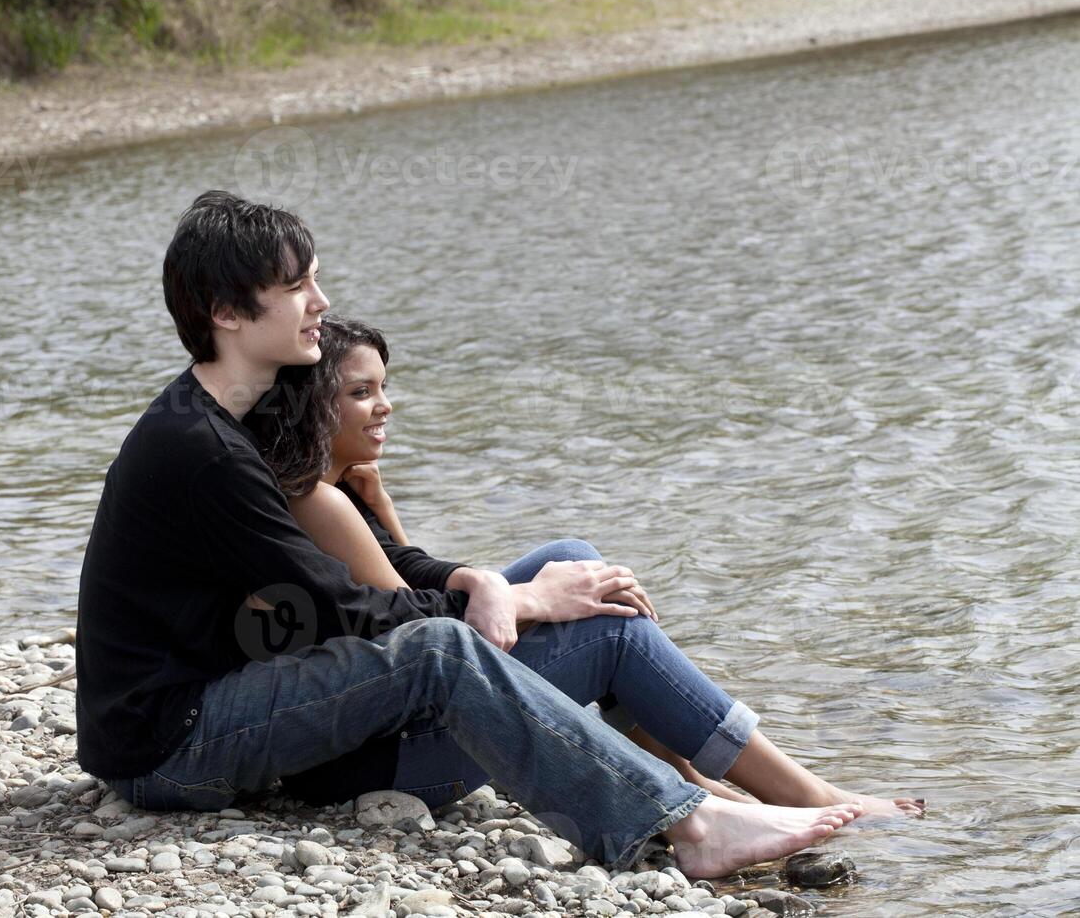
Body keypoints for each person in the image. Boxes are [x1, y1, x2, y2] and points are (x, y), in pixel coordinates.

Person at [75, 190, 865, 879]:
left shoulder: (228, 425)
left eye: (315, 279)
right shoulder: (202, 450)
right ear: (226, 313)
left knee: (570, 564)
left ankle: (730, 793)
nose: (319, 301)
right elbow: (345, 606)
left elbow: (367, 578)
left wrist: (489, 584)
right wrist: (518, 602)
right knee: (444, 647)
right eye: (296, 287)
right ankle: (691, 823)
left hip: (211, 703)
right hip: (171, 747)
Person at [250, 314, 924, 819]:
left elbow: (397, 577)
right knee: (609, 628)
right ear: (316, 404)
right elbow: (421, 641)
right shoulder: (318, 501)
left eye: (384, 387)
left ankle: (697, 783)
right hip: (384, 767)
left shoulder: (336, 491)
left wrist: (384, 504)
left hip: (377, 735)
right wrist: (530, 600)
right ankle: (807, 796)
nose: (385, 404)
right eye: (362, 393)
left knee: (573, 558)